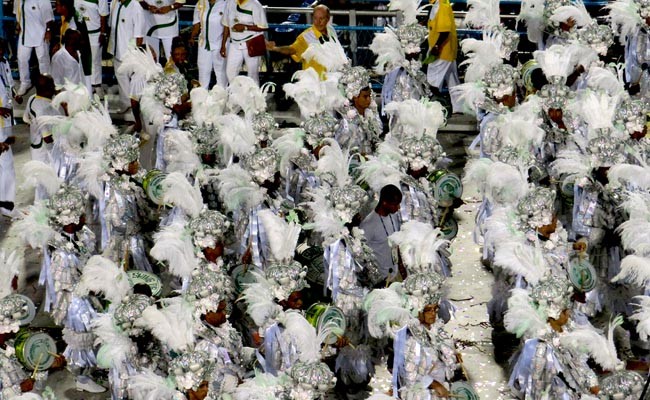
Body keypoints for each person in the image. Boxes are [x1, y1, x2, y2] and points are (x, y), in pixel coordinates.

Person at [266, 5, 337, 77]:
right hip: (313, 82)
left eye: (321, 18)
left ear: (328, 19)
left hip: (331, 79)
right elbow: (292, 49)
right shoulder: (306, 36)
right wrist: (275, 48)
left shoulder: (331, 30)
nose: (318, 22)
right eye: (315, 18)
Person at [108, 0, 146, 113]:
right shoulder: (116, 4)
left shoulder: (136, 7)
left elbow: (139, 36)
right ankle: (126, 105)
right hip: (117, 50)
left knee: (135, 81)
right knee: (121, 78)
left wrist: (135, 54)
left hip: (130, 53)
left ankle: (138, 109)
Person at [360, 184, 403, 283]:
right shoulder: (368, 225)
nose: (398, 208)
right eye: (395, 204)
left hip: (395, 274)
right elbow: (361, 256)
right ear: (384, 203)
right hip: (381, 280)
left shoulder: (393, 216)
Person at [220, 0, 268, 85]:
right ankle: (235, 95)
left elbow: (263, 26)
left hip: (251, 42)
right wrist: (223, 44)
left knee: (252, 75)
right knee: (230, 73)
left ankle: (253, 97)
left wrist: (245, 27)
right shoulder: (230, 3)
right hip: (234, 43)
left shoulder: (255, 4)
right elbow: (226, 25)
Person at [13, 0, 54, 98]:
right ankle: (25, 82)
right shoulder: (18, 1)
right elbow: (18, 14)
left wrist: (48, 31)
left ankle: (46, 84)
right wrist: (18, 25)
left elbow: (49, 18)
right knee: (22, 58)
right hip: (25, 33)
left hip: (41, 33)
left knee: (43, 59)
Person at [23, 75, 60, 180]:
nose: (55, 87)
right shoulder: (42, 109)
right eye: (52, 85)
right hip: (44, 152)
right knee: (45, 182)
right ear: (48, 89)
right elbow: (47, 138)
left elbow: (26, 118)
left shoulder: (32, 98)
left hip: (37, 147)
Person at [54, 0, 93, 93]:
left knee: (78, 87)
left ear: (64, 7)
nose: (56, 7)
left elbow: (74, 44)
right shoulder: (68, 16)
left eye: (57, 5)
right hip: (71, 58)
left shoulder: (74, 22)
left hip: (75, 61)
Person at [75, 0, 109, 97]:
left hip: (95, 33)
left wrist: (103, 33)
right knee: (80, 60)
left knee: (95, 60)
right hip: (80, 33)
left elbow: (103, 15)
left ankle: (97, 85)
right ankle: (84, 85)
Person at [190, 0, 228, 88]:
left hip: (220, 44)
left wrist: (223, 45)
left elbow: (227, 26)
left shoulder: (226, 4)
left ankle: (222, 98)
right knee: (203, 72)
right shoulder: (200, 3)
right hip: (203, 44)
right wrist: (192, 37)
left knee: (221, 74)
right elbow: (196, 24)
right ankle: (202, 98)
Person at [426, 0, 460, 100]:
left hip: (442, 50)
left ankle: (433, 104)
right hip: (446, 50)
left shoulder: (442, 5)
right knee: (452, 80)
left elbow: (445, 31)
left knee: (433, 79)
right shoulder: (439, 4)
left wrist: (437, 46)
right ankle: (458, 107)